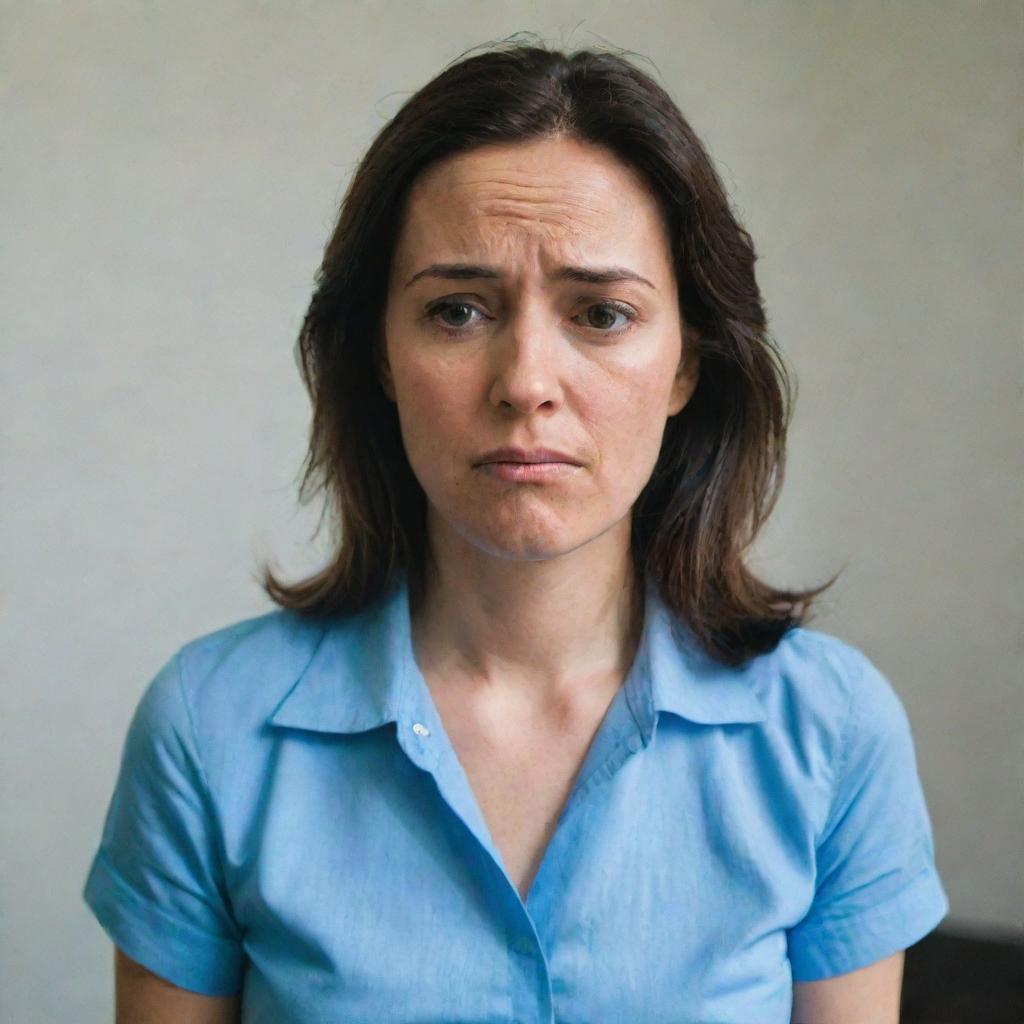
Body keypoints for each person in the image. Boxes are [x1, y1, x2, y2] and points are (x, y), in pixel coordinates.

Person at [82, 38, 949, 1023]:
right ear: (378, 356)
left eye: (601, 314)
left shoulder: (831, 732)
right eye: (456, 310)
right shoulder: (208, 727)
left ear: (685, 366)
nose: (527, 382)